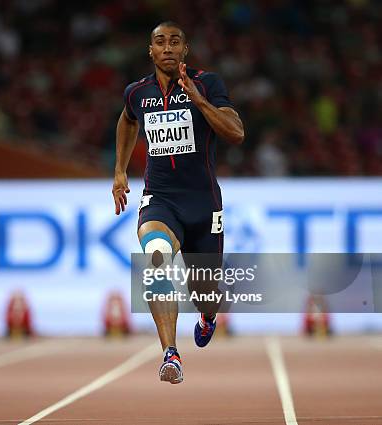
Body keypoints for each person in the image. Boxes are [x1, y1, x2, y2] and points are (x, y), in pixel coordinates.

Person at [112, 22, 244, 384]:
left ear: (185, 50)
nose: (167, 47)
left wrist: (199, 101)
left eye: (175, 42)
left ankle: (207, 316)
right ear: (150, 50)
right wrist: (120, 171)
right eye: (160, 42)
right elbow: (127, 121)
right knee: (155, 257)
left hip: (203, 205)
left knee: (205, 294)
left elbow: (236, 133)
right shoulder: (137, 92)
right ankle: (171, 353)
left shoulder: (208, 83)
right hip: (161, 201)